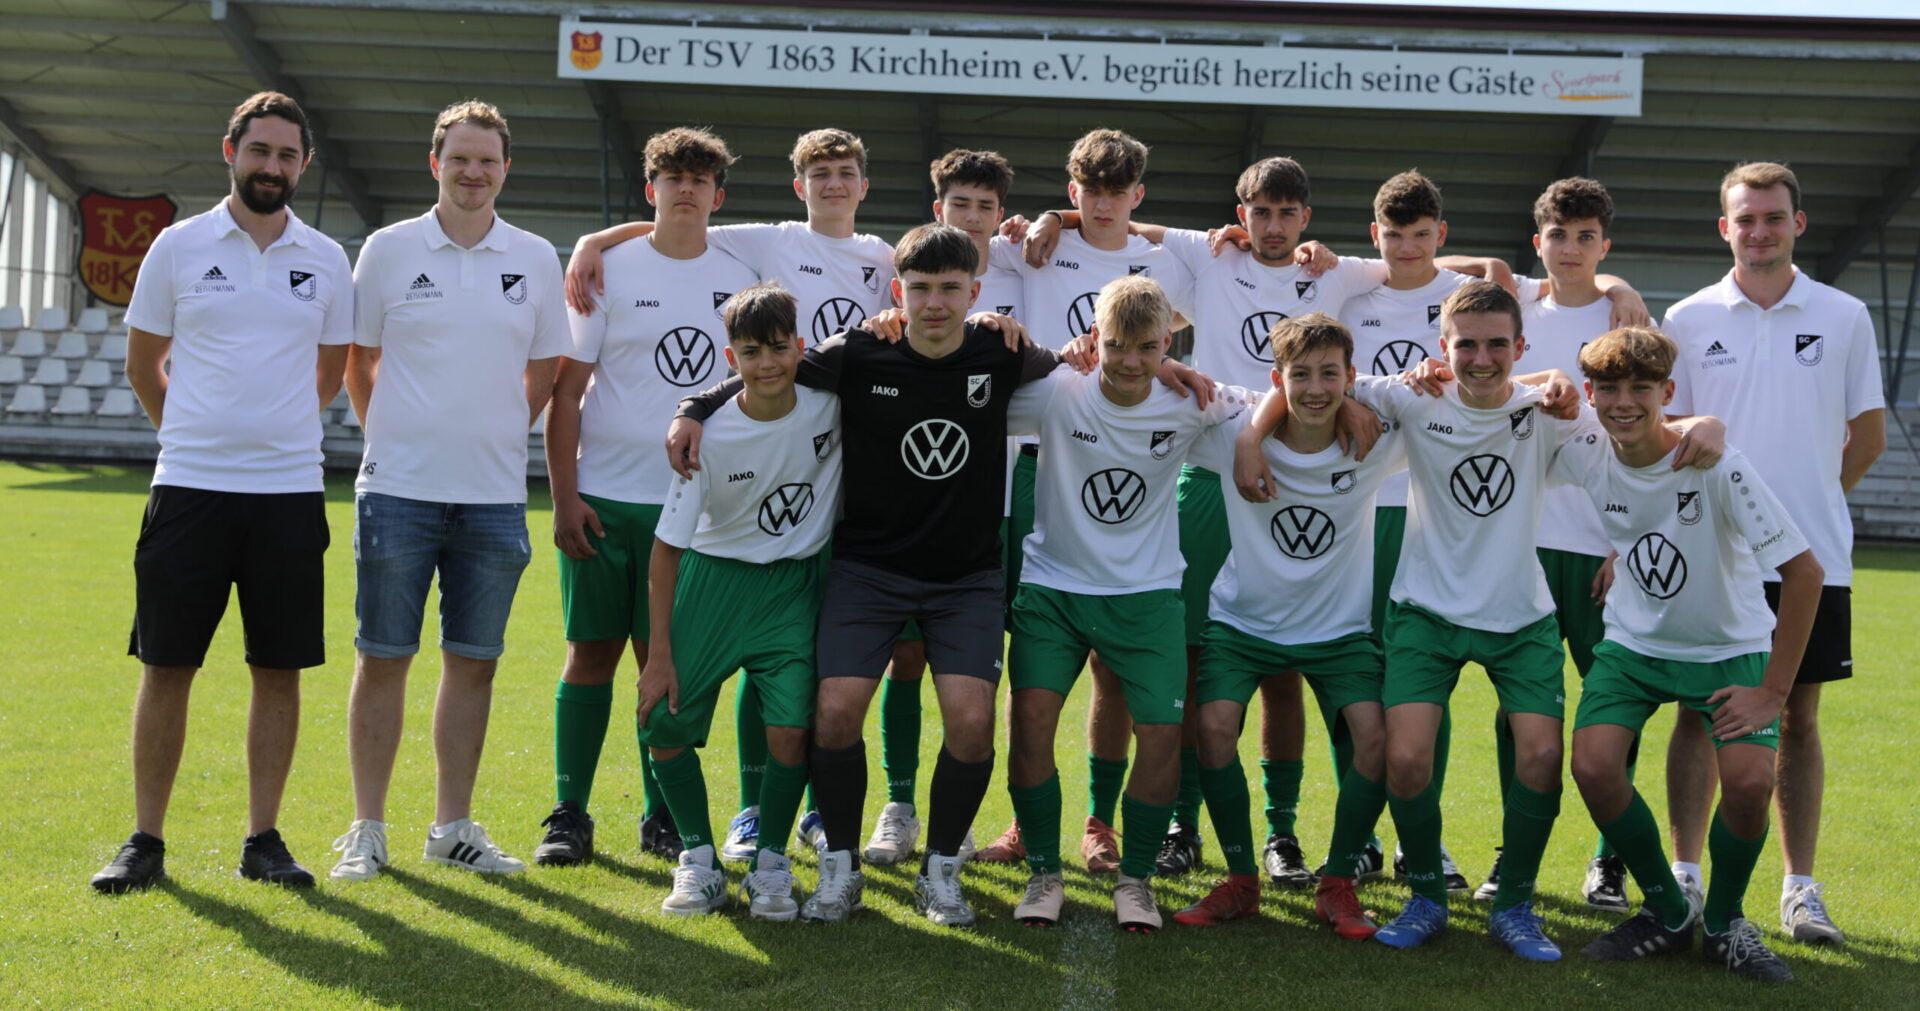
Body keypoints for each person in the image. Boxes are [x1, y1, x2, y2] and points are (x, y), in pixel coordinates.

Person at [1237, 281, 1723, 961]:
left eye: (1498, 344)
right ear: (1443, 348)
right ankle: (1427, 897)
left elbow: (1639, 443)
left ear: (1520, 347)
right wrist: (1250, 439)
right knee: (1406, 756)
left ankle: (1515, 904)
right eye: (1466, 344)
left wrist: (1706, 425)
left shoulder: (1548, 412)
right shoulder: (1413, 396)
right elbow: (1308, 382)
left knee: (1543, 756)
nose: (1482, 357)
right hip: (1425, 610)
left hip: (1518, 615)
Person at [567, 127, 898, 859]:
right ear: (799, 187)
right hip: (771, 435)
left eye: (846, 172)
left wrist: (1053, 221)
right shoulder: (771, 241)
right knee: (766, 654)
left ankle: (818, 810)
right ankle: (751, 812)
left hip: (844, 453)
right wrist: (597, 240)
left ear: (864, 185)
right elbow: (677, 221)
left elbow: (950, 278)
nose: (834, 185)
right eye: (820, 173)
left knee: (816, 660)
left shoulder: (883, 257)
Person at [93, 91, 352, 893]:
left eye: (287, 155)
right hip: (189, 489)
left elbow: (330, 372)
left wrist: (273, 434)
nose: (272, 166)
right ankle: (144, 840)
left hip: (288, 493)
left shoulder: (327, 258)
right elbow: (144, 364)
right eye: (260, 150)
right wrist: (194, 434)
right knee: (166, 665)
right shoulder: (176, 246)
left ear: (303, 165)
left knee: (279, 668)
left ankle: (262, 839)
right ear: (230, 151)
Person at [325, 101, 566, 881]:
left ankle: (451, 826)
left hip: (494, 497)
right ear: (436, 163)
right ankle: (367, 828)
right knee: (382, 657)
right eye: (460, 158)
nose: (473, 172)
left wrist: (499, 429)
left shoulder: (534, 256)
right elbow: (360, 360)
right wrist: (393, 435)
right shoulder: (388, 249)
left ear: (506, 168)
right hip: (397, 490)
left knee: (474, 663)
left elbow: (545, 367)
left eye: (487, 160)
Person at [1660, 161, 1886, 946]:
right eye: (1746, 218)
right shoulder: (1687, 317)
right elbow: (1671, 437)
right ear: (1725, 228)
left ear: (1798, 223)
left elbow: (1868, 436)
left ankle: (1799, 888)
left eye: (1773, 217)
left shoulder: (1845, 314)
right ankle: (1685, 879)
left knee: (1799, 718)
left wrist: (1798, 518)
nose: (1760, 230)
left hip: (1810, 559)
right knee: (1698, 712)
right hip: (1711, 556)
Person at [1560, 325, 1819, 983]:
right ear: (1590, 394)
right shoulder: (1586, 447)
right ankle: (1670, 911)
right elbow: (1512, 394)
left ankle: (1726, 922)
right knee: (1592, 764)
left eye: (1640, 388)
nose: (1623, 402)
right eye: (1608, 388)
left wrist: (1773, 692)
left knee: (1751, 783)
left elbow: (1804, 573)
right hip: (1635, 643)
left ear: (1667, 392)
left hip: (1727, 647)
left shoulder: (1717, 462)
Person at [977, 128, 1201, 875]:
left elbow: (1192, 310)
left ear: (1138, 196)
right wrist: (1050, 221)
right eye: (1089, 194)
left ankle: (1100, 822)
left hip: (1128, 451)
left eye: (1118, 193)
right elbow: (963, 254)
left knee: (1113, 667)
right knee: (1035, 656)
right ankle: (1025, 822)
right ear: (1073, 193)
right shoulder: (1034, 247)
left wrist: (1157, 366)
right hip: (1039, 453)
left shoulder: (1166, 262)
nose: (1103, 206)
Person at [534, 127, 759, 868]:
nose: (685, 189)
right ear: (651, 189)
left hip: (691, 507)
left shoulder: (742, 273)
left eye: (700, 179)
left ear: (718, 196)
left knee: (662, 659)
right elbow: (567, 394)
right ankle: (569, 813)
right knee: (589, 655)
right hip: (603, 497)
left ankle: (661, 814)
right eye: (672, 177)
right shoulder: (609, 270)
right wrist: (564, 496)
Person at [1003, 276, 1244, 932]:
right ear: (1095, 338)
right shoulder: (1057, 391)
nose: (1131, 362)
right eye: (1116, 346)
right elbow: (963, 382)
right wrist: (994, 328)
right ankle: (1044, 871)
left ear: (1169, 344)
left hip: (1147, 595)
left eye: (1147, 348)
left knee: (1161, 734)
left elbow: (1286, 404)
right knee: (1029, 719)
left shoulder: (1193, 402)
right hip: (1053, 588)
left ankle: (1135, 879)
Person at [1172, 312, 1405, 933]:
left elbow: (1449, 396)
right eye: (1300, 376)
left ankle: (1338, 883)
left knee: (1375, 737)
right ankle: (1241, 880)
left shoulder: (1375, 438)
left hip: (1339, 632)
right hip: (1243, 623)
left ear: (1351, 378)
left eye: (1331, 375)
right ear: (1276, 380)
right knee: (1212, 727)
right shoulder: (1233, 430)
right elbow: (1159, 380)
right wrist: (1250, 435)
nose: (1315, 389)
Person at [638, 283, 841, 920]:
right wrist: (658, 655)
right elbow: (665, 551)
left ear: (800, 347)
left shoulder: (832, 406)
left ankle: (771, 863)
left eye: (779, 348)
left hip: (792, 587)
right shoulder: (709, 435)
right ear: (731, 359)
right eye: (751, 353)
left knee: (791, 729)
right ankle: (699, 859)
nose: (767, 363)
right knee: (662, 718)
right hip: (713, 581)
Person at [1474, 177, 1637, 909]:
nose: (1571, 249)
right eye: (1559, 235)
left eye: (1586, 237)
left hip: (1602, 545)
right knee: (1520, 708)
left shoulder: (1628, 320)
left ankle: (1611, 859)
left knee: (1611, 706)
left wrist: (1627, 542)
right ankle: (1515, 853)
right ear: (1537, 242)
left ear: (1605, 245)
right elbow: (1420, 263)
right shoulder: (1512, 308)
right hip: (1527, 540)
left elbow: (1655, 435)